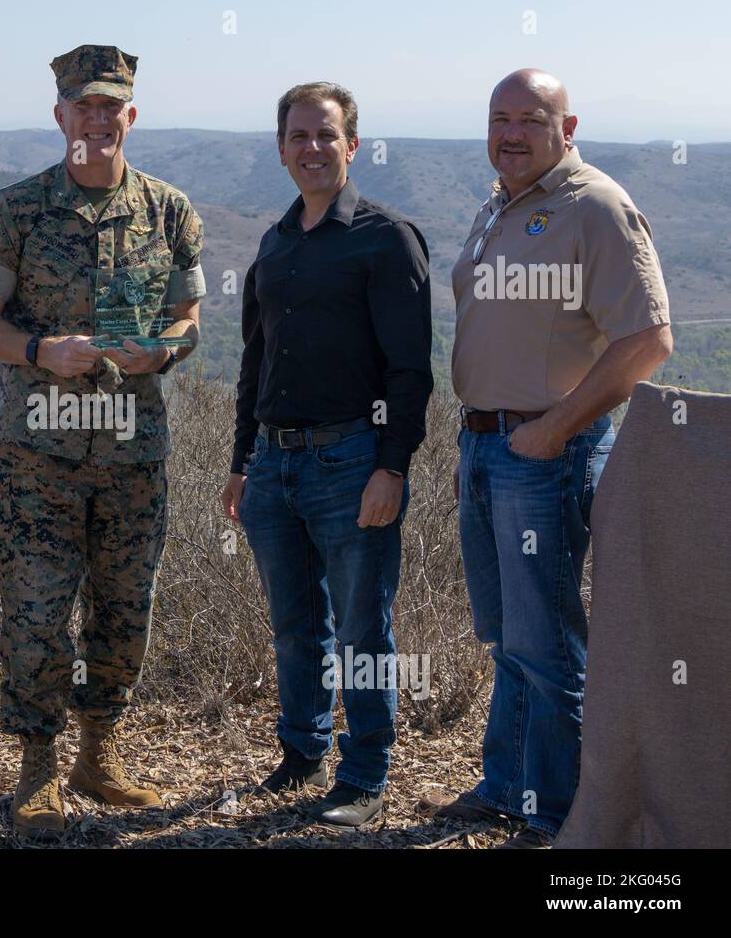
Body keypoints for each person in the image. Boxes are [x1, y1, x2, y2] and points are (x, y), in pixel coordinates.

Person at [0, 45, 206, 840]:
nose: (97, 120)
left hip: (133, 456)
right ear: (60, 115)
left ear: (130, 117)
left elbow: (189, 319)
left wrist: (163, 350)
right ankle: (36, 769)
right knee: (35, 615)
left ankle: (98, 755)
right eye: (84, 107)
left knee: (125, 611)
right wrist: (39, 352)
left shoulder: (170, 211)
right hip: (38, 458)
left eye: (112, 108)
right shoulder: (14, 211)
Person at [422, 69, 672, 848]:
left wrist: (555, 428)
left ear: (569, 126)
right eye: (500, 118)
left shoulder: (594, 205)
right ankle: (508, 783)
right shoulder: (499, 203)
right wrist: (478, 438)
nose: (511, 133)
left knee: (549, 642)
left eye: (532, 118)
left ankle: (560, 814)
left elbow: (647, 339)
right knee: (508, 636)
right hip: (489, 443)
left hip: (545, 451)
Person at [221, 81, 433, 827]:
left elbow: (411, 368)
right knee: (293, 622)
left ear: (352, 144)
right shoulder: (276, 241)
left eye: (327, 135)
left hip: (353, 458)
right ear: (281, 150)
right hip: (276, 463)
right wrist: (242, 461)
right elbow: (256, 361)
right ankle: (302, 750)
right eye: (299, 137)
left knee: (362, 626)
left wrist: (393, 467)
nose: (312, 148)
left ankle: (365, 774)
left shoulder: (385, 237)